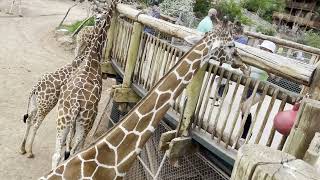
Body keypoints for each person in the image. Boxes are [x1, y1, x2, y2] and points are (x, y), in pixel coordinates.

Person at [241, 40, 277, 139]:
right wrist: (244, 70)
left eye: (266, 49)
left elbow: (274, 77)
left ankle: (245, 134)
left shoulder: (270, 62)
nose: (263, 50)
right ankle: (246, 131)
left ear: (271, 52)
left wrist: (266, 67)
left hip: (259, 89)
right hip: (249, 86)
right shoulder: (254, 59)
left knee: (246, 107)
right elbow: (248, 73)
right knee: (243, 108)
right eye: (262, 48)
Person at [214, 22, 248, 106]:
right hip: (226, 61)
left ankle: (220, 98)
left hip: (233, 64)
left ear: (239, 32)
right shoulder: (233, 38)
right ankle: (218, 96)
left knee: (225, 81)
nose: (233, 34)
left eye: (234, 32)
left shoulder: (243, 40)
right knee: (221, 79)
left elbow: (236, 50)